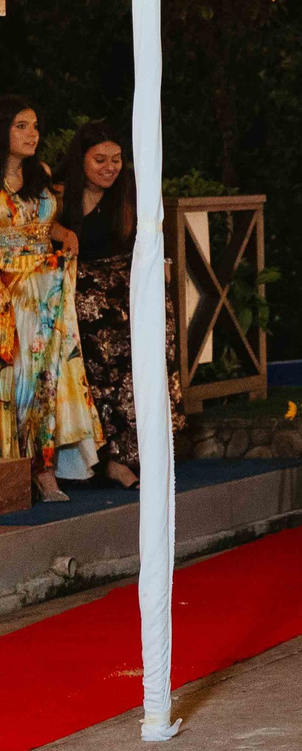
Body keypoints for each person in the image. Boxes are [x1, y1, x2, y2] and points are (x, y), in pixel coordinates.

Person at [61, 124, 177, 490]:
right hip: (83, 290)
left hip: (127, 285)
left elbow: (148, 239)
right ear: (80, 161)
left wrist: (162, 264)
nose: (109, 167)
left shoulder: (130, 194)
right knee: (101, 347)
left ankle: (143, 451)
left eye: (116, 159)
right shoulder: (62, 196)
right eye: (100, 160)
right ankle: (110, 459)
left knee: (152, 340)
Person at [1, 99, 100, 501]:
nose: (32, 134)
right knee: (15, 380)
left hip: (47, 292)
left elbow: (42, 222)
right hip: (9, 295)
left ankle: (44, 470)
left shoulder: (38, 173)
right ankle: (16, 471)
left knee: (50, 379)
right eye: (21, 126)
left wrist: (63, 234)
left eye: (35, 126)